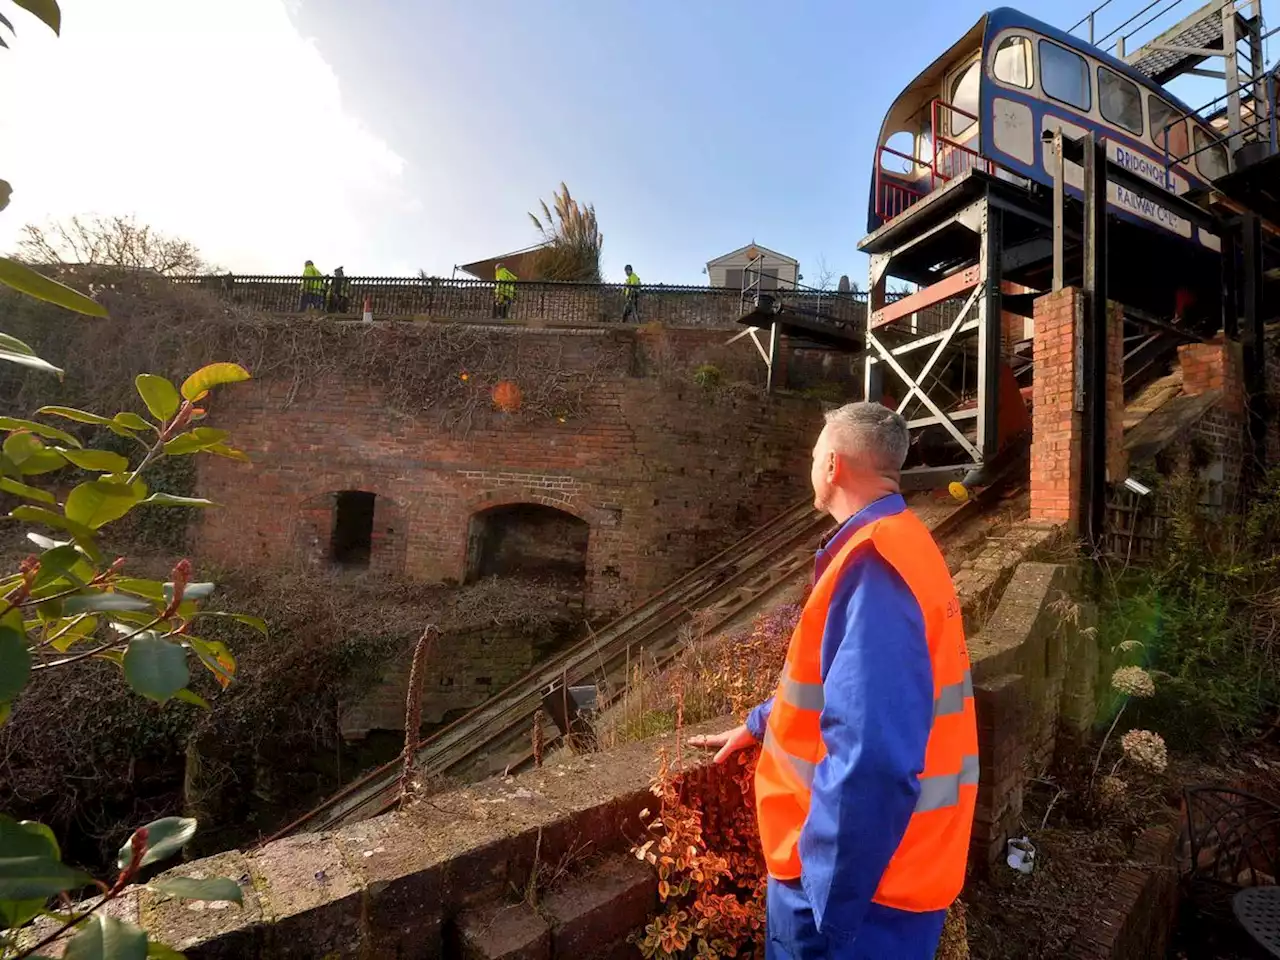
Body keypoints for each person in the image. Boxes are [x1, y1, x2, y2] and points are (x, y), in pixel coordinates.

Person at [690, 401, 978, 960]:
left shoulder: (875, 566)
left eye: (817, 451)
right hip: (896, 874)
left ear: (833, 467)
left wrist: (829, 905)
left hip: (860, 896)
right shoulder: (906, 540)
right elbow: (843, 689)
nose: (813, 461)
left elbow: (871, 757)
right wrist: (760, 723)